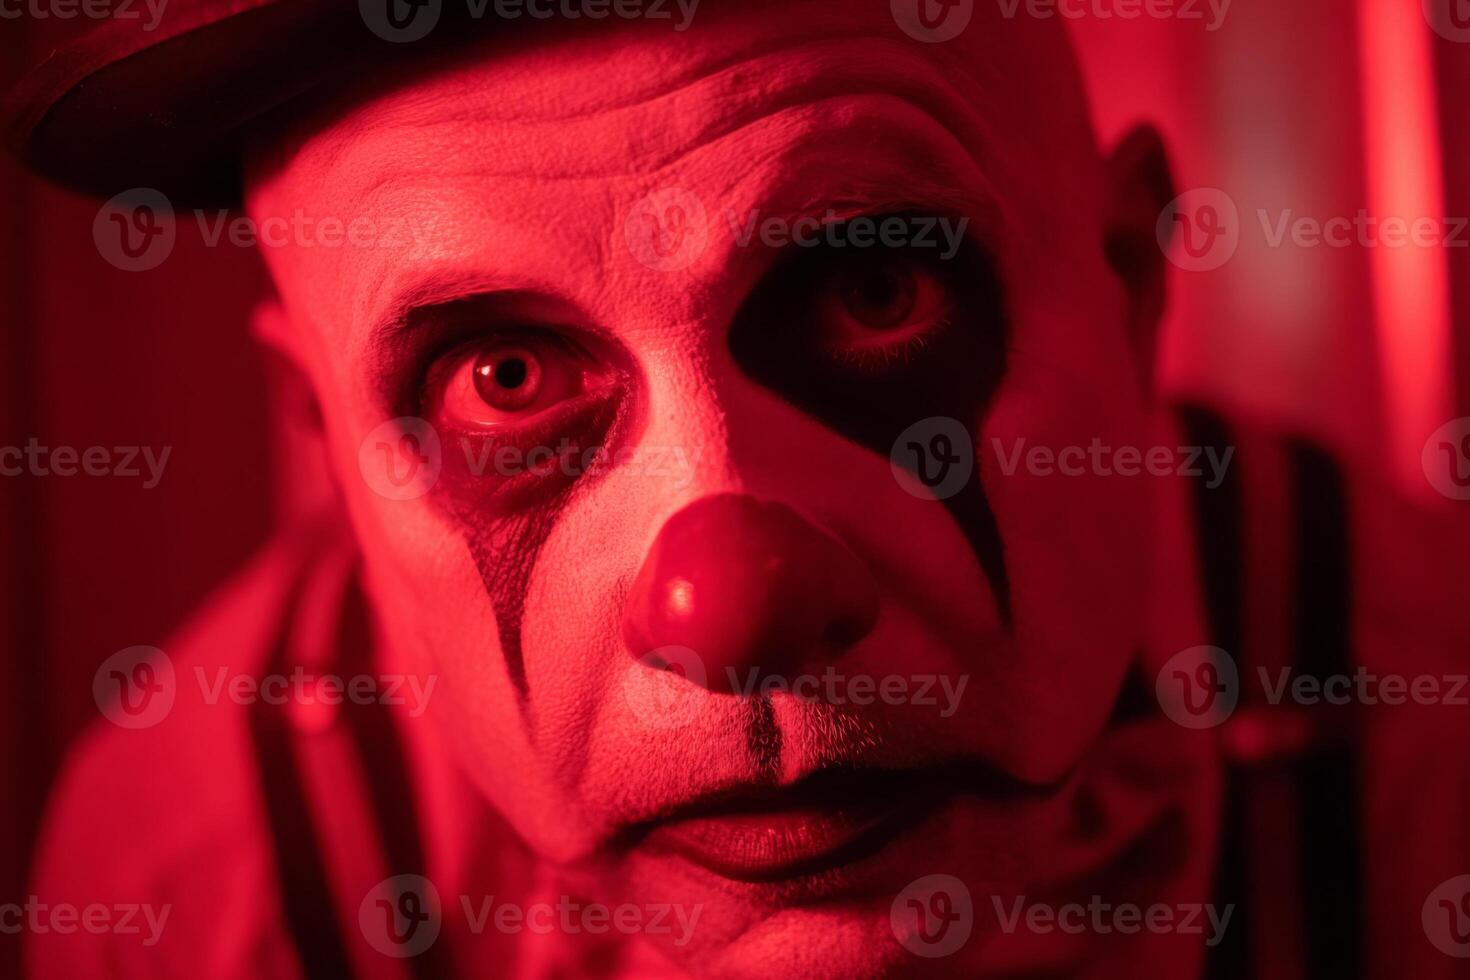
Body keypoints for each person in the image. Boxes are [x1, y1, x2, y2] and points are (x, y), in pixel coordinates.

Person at [10, 1, 1229, 975]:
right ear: (330, 442)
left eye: (879, 291)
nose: (736, 615)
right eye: (506, 378)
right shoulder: (194, 889)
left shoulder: (1413, 700)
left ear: (1127, 293)